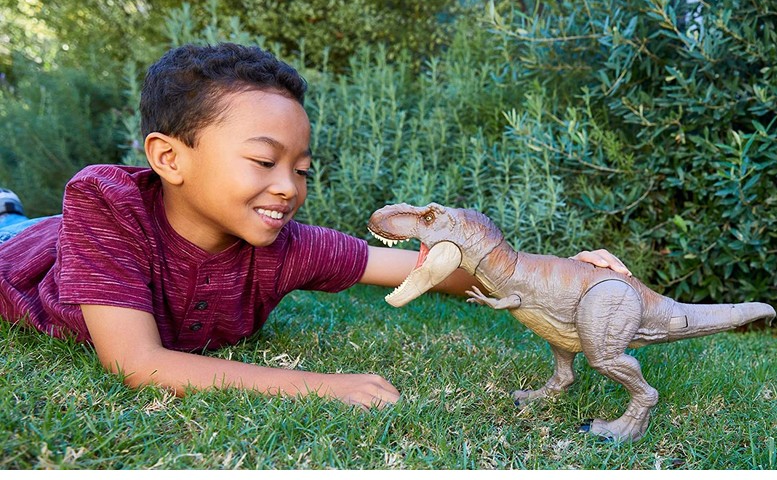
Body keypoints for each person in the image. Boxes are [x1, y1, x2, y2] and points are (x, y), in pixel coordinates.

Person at [0, 43, 630, 409]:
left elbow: (430, 270)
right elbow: (137, 363)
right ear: (169, 158)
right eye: (264, 161)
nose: (289, 187)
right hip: (22, 251)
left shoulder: (287, 246)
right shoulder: (108, 206)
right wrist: (321, 385)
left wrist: (561, 278)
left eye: (301, 169)